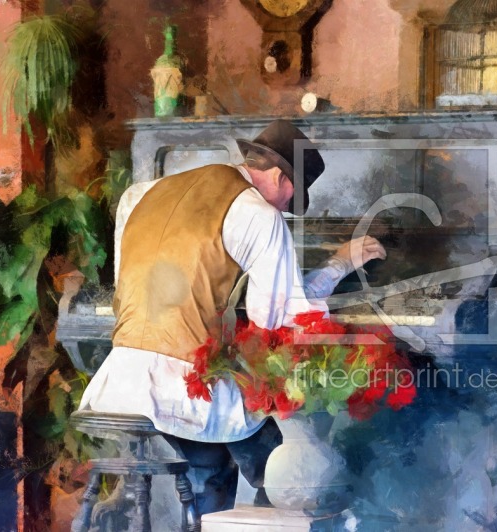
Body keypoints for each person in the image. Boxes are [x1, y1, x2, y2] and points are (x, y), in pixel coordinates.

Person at [78, 119, 387, 514]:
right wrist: (340, 263)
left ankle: (209, 498)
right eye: (290, 198)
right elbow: (279, 320)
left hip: (120, 378)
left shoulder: (140, 195)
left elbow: (128, 288)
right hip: (181, 388)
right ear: (279, 176)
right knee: (283, 452)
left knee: (224, 443)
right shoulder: (259, 215)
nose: (286, 211)